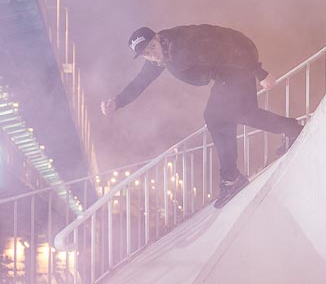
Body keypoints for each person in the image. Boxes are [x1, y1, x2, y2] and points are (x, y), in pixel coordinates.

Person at [100, 24, 303, 207]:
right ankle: (292, 130)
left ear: (158, 38)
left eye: (152, 48)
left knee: (216, 116)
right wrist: (117, 102)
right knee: (243, 113)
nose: (152, 55)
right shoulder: (160, 58)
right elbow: (140, 82)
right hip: (228, 70)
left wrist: (260, 73)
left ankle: (231, 179)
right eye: (146, 54)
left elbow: (226, 51)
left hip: (239, 57)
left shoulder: (184, 46)